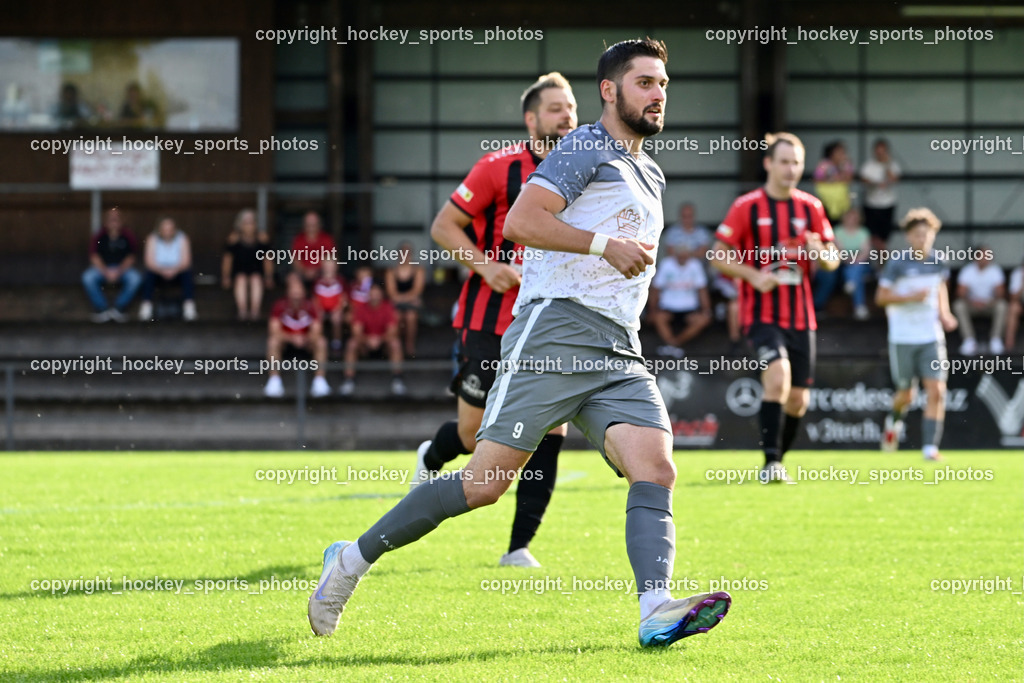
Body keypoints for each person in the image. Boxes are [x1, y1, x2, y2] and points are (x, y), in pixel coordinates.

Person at [309, 39, 733, 648]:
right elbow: (521, 222)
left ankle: (654, 608)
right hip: (554, 332)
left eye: (663, 83)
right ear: (609, 91)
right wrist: (604, 246)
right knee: (484, 485)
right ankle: (349, 560)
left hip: (618, 345)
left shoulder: (651, 170)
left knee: (656, 467)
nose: (658, 94)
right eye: (644, 82)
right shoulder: (584, 146)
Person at [410, 71, 578, 568]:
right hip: (489, 321)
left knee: (552, 430)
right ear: (531, 119)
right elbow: (444, 226)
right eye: (555, 109)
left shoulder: (588, 172)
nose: (567, 116)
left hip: (551, 326)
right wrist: (487, 266)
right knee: (473, 434)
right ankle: (431, 456)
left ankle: (518, 548)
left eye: (571, 107)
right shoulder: (497, 166)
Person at [708, 132, 839, 484]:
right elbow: (717, 255)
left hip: (802, 317)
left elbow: (833, 260)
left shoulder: (811, 207)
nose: (791, 169)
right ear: (768, 163)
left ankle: (778, 459)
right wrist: (753, 275)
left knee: (798, 400)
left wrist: (820, 253)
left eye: (796, 163)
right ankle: (771, 464)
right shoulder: (746, 206)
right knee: (778, 378)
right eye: (784, 162)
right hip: (760, 315)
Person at [876, 208, 958, 461]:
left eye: (927, 234)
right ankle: (893, 423)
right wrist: (910, 297)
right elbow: (881, 297)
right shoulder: (897, 263)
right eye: (918, 234)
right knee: (906, 395)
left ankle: (929, 448)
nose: (923, 239)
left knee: (937, 391)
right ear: (909, 237)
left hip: (931, 337)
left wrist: (945, 312)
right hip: (902, 338)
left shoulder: (939, 261)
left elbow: (940, 288)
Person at [263, 273, 330, 398]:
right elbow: (274, 330)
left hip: (306, 344)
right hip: (286, 344)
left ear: (304, 292)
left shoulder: (312, 306)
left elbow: (317, 330)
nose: (296, 295)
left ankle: (319, 381)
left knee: (321, 342)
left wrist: (305, 338)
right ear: (287, 292)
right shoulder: (279, 306)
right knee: (272, 342)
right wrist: (292, 338)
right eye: (293, 291)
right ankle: (274, 381)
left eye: (298, 291)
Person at [339, 283, 405, 397]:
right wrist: (368, 340)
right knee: (352, 343)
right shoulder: (360, 309)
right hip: (365, 346)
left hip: (383, 345)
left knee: (395, 343)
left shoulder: (388, 307)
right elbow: (356, 332)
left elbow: (392, 331)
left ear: (381, 295)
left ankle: (397, 380)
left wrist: (379, 339)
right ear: (368, 295)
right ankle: (348, 380)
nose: (374, 296)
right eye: (372, 294)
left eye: (377, 294)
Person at [649, 244, 711, 357]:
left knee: (703, 320)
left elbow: (702, 290)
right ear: (675, 255)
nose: (682, 258)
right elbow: (656, 289)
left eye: (685, 256)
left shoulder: (695, 265)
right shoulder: (666, 264)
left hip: (690, 308)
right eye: (680, 256)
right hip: (668, 307)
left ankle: (673, 345)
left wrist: (706, 309)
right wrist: (652, 309)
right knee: (658, 318)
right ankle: (674, 346)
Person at [812, 207, 873, 320]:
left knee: (857, 269)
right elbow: (837, 250)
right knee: (834, 275)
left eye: (855, 218)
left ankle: (852, 284)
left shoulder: (863, 232)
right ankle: (855, 296)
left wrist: (854, 260)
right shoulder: (837, 231)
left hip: (859, 263)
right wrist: (848, 259)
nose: (852, 220)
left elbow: (866, 252)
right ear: (844, 218)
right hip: (841, 263)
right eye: (849, 217)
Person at [81, 208, 142, 323]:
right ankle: (102, 309)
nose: (114, 223)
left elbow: (131, 257)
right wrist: (105, 271)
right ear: (106, 222)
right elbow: (94, 256)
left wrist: (119, 271)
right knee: (88, 277)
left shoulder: (127, 235)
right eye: (111, 220)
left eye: (116, 220)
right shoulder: (100, 235)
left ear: (121, 221)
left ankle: (119, 308)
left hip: (122, 270)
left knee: (135, 278)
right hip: (103, 269)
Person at [138, 217, 196, 321]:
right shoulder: (152, 238)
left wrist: (174, 270)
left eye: (170, 229)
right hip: (158, 272)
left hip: (177, 272)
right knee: (148, 275)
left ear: (175, 229)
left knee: (187, 274)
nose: (167, 232)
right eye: (165, 229)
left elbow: (186, 262)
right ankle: (146, 307)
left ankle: (189, 307)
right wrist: (162, 271)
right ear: (159, 229)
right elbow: (149, 262)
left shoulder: (182, 238)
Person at [953, 246, 1007, 355]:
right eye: (983, 256)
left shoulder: (995, 270)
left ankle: (995, 340)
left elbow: (1001, 294)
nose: (986, 258)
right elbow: (960, 293)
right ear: (976, 257)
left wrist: (989, 302)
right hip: (972, 304)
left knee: (1002, 305)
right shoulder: (968, 270)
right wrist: (973, 302)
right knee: (958, 305)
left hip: (990, 304)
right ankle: (969, 340)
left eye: (988, 256)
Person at [222, 208, 274, 321]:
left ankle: (255, 312)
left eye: (251, 223)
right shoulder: (233, 239)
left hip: (256, 271)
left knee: (256, 279)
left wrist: (269, 276)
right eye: (246, 223)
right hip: (239, 271)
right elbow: (227, 260)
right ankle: (242, 311)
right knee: (241, 279)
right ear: (240, 225)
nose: (249, 226)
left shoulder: (262, 239)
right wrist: (226, 276)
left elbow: (267, 259)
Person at [384, 242, 426, 358]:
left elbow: (417, 290)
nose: (405, 255)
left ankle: (409, 346)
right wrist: (404, 298)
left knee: (410, 316)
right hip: (398, 304)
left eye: (407, 253)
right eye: (403, 253)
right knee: (396, 316)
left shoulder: (418, 270)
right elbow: (391, 292)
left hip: (411, 305)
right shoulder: (391, 271)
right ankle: (396, 346)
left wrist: (401, 298)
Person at [859, 138, 901, 254]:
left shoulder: (892, 164)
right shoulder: (869, 165)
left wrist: (886, 165)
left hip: (888, 204)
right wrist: (876, 184)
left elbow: (895, 179)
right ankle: (881, 257)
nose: (880, 154)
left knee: (884, 237)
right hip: (871, 205)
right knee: (873, 236)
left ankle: (882, 259)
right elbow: (864, 180)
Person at [813, 140, 855, 225]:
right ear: (831, 153)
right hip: (826, 202)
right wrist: (832, 180)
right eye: (838, 152)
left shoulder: (846, 164)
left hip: (842, 202)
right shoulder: (824, 165)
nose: (841, 154)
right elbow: (816, 179)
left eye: (843, 152)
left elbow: (849, 179)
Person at [290, 212, 336, 284]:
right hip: (302, 273)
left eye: (313, 224)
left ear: (319, 225)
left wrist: (316, 270)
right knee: (292, 278)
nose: (311, 227)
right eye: (308, 224)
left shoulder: (326, 238)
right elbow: (295, 260)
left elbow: (329, 258)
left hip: (322, 272)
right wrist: (305, 271)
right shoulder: (298, 239)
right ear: (304, 225)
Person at [314, 258, 347, 354]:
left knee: (336, 318)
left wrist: (338, 309)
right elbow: (315, 299)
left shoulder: (340, 280)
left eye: (331, 265)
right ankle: (319, 342)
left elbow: (344, 299)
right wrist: (318, 309)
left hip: (336, 309)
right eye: (327, 265)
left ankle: (336, 343)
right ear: (322, 266)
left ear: (336, 266)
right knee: (317, 317)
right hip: (321, 309)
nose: (329, 268)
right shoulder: (318, 281)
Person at [1004, 256, 1024, 352]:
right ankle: (1009, 347)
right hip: (1020, 304)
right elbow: (1013, 298)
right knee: (1013, 307)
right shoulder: (1018, 273)